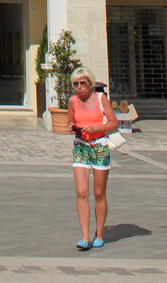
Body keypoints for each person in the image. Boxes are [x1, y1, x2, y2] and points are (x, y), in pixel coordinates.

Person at [68, 66, 118, 250]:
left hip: (99, 147)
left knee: (99, 193)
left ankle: (99, 233)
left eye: (83, 83)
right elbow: (70, 121)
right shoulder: (72, 101)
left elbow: (113, 123)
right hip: (81, 146)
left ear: (90, 83)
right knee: (81, 192)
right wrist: (73, 127)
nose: (79, 87)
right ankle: (84, 236)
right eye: (76, 84)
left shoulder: (100, 98)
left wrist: (95, 128)